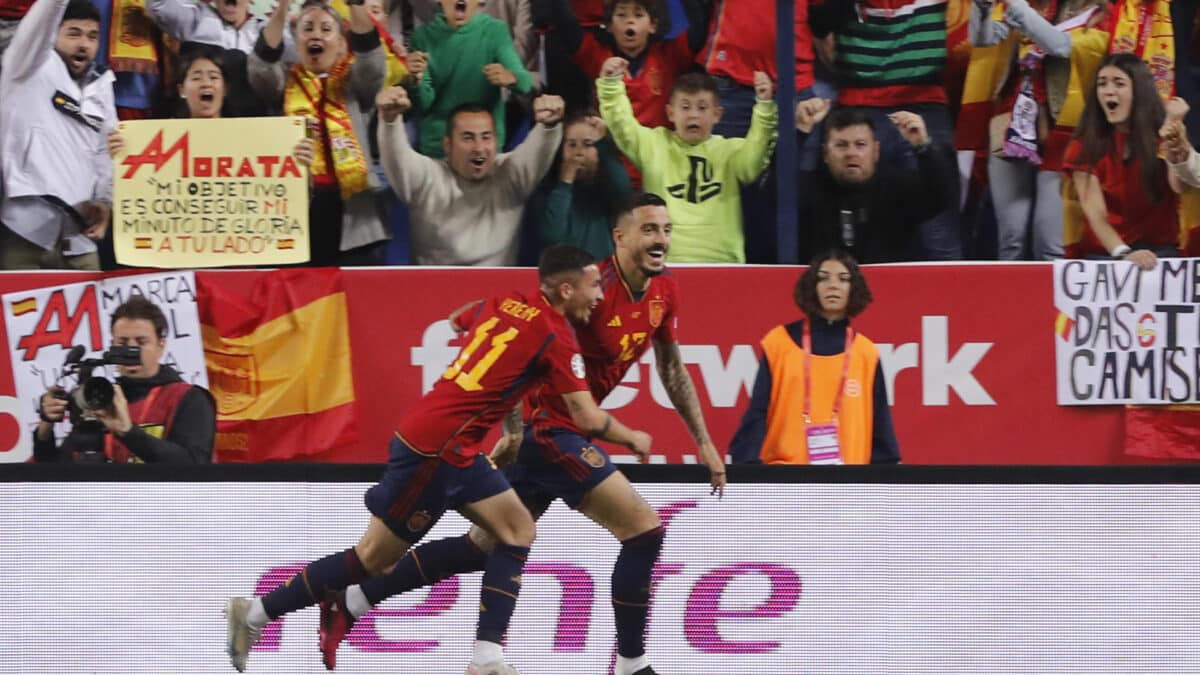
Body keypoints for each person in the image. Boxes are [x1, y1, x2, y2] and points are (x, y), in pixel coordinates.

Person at [317, 192, 726, 675]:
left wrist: (703, 441)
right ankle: (632, 665)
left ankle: (355, 600)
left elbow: (673, 368)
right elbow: (511, 325)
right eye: (649, 230)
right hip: (552, 429)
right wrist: (512, 427)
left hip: (559, 436)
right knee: (642, 531)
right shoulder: (593, 290)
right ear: (621, 238)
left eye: (666, 230)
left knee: (483, 546)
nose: (661, 240)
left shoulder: (665, 291)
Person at [224, 245, 652, 675]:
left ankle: (486, 656)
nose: (599, 295)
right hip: (435, 450)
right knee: (372, 559)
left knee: (517, 529)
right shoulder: (555, 335)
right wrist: (632, 436)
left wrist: (511, 426)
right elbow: (587, 416)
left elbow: (459, 317)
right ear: (565, 289)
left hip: (453, 445)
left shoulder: (505, 303)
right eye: (593, 285)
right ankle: (257, 612)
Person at [809, 0, 962, 260]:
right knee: (857, 218)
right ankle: (856, 295)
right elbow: (820, 24)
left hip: (924, 102)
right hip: (859, 105)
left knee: (939, 223)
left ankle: (950, 297)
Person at [964, 0, 1109, 260]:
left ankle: (1049, 302)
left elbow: (1060, 45)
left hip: (1063, 132)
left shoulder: (1104, 14)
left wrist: (1015, 4)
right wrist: (982, 8)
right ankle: (1010, 301)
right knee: (1010, 239)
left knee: (1050, 242)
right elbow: (981, 38)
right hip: (1011, 125)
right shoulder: (1038, 6)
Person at [249, 0, 390, 266]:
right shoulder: (283, 85)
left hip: (355, 220)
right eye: (307, 28)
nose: (316, 34)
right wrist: (282, 8)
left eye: (326, 29)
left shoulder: (355, 84)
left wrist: (357, 4)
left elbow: (372, 61)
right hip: (294, 217)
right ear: (296, 40)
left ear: (340, 41)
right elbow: (260, 67)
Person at [598, 60, 779, 263]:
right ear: (670, 113)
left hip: (723, 263)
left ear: (717, 115)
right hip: (665, 261)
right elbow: (623, 127)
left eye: (702, 108)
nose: (693, 114)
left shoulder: (731, 151)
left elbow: (753, 163)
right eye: (685, 107)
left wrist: (764, 107)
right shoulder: (654, 145)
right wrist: (611, 85)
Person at [730, 250, 900, 465]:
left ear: (854, 288)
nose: (833, 285)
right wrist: (748, 470)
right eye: (823, 277)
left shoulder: (866, 352)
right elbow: (758, 413)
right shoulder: (779, 343)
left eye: (844, 279)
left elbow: (880, 425)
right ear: (812, 286)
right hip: (785, 481)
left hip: (849, 486)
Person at [376, 85, 563, 265]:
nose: (479, 147)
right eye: (468, 138)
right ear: (447, 145)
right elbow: (397, 158)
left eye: (486, 137)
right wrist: (390, 121)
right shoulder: (428, 177)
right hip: (435, 293)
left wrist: (550, 124)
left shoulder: (511, 174)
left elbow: (541, 146)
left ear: (496, 141)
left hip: (499, 294)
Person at [0, 0, 115, 271]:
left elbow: (105, 151)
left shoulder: (103, 84)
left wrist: (104, 201)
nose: (84, 44)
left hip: (80, 241)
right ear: (52, 34)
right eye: (73, 33)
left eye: (92, 36)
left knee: (94, 315)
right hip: (24, 231)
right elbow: (39, 24)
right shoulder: (27, 65)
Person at [33, 296, 216, 464]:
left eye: (141, 342)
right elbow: (55, 472)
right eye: (122, 343)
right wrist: (46, 426)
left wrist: (128, 432)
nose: (131, 351)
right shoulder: (101, 398)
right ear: (112, 345)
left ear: (161, 345)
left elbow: (194, 466)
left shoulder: (189, 398)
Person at [1063, 53, 1200, 269]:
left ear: (1139, 91)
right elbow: (1095, 214)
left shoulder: (1163, 134)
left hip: (1161, 254)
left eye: (1119, 83)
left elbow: (1179, 186)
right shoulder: (1083, 146)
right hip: (1106, 255)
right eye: (1102, 83)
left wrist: (1174, 133)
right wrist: (1124, 254)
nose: (1108, 91)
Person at [794, 101, 955, 263]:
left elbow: (940, 198)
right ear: (825, 154)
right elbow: (776, 195)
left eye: (860, 145)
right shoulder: (810, 187)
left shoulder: (897, 188)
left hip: (888, 285)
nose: (851, 153)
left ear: (876, 151)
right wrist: (799, 133)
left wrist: (923, 147)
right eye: (841, 145)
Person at [409, 0, 534, 158]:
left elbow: (525, 83)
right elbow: (422, 103)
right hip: (438, 150)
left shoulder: (495, 31)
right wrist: (416, 79)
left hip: (484, 150)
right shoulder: (422, 37)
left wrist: (511, 78)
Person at [146, 0, 280, 116]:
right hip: (195, 123)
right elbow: (159, 6)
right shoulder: (195, 19)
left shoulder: (267, 30)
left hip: (250, 125)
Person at [530, 112, 633, 259]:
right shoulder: (547, 191)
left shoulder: (607, 189)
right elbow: (553, 234)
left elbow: (623, 192)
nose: (578, 153)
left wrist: (604, 142)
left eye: (588, 144)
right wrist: (565, 184)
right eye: (571, 145)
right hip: (564, 274)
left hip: (604, 274)